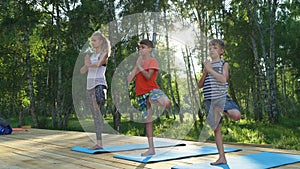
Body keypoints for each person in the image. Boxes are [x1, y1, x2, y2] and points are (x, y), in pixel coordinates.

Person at [198, 39, 241, 165]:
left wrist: (210, 70)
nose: (211, 49)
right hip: (209, 100)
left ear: (221, 51)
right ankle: (222, 157)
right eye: (210, 48)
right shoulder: (207, 66)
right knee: (216, 129)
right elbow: (199, 85)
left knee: (236, 115)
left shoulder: (224, 65)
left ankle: (221, 109)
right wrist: (205, 72)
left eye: (214, 48)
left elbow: (223, 79)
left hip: (221, 98)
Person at [127, 39, 171, 156]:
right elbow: (129, 80)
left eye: (143, 47)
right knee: (148, 121)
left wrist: (140, 67)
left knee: (167, 103)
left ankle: (153, 100)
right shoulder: (138, 63)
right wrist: (136, 67)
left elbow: (148, 76)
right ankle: (151, 149)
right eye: (139, 47)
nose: (140, 49)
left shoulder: (152, 61)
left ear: (150, 49)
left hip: (152, 91)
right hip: (141, 94)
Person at [80, 31, 111, 150]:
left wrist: (89, 64)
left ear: (101, 41)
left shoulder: (104, 53)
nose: (92, 42)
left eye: (94, 40)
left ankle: (102, 99)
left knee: (100, 99)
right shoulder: (90, 56)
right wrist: (85, 65)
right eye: (91, 40)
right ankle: (99, 143)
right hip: (90, 85)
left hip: (99, 83)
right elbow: (83, 71)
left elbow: (99, 64)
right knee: (95, 116)